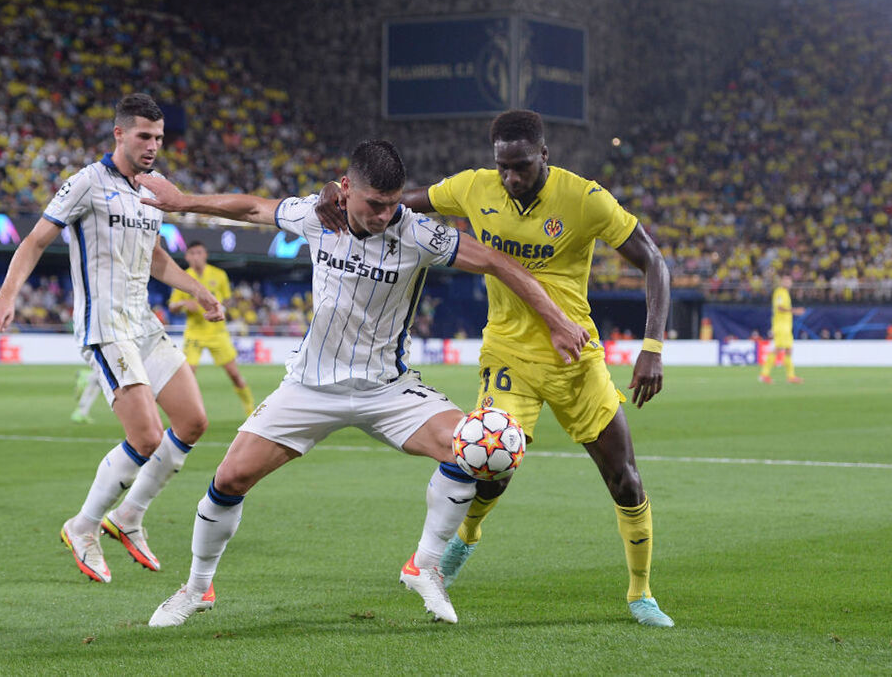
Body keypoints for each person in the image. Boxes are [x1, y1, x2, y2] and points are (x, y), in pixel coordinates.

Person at [133, 139, 589, 627]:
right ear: (346, 190)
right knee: (229, 479)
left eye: (392, 204)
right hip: (310, 386)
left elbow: (498, 262)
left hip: (387, 390)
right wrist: (183, 202)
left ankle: (425, 564)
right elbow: (251, 206)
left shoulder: (418, 234)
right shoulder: (317, 215)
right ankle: (197, 589)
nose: (384, 215)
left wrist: (556, 320)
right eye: (374, 204)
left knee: (476, 450)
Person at [315, 110, 674, 627]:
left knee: (624, 480)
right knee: (489, 464)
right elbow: (394, 204)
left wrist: (652, 346)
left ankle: (640, 593)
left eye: (522, 166)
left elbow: (653, 261)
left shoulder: (585, 199)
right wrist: (337, 189)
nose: (510, 178)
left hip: (576, 356)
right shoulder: (472, 188)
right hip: (507, 354)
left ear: (543, 155)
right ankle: (461, 543)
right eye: (503, 167)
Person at [0, 94, 225, 583]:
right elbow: (35, 241)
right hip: (104, 325)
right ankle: (83, 525)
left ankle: (129, 516)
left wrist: (198, 291)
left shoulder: (155, 190)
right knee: (147, 434)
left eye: (158, 137)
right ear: (119, 134)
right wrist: (7, 296)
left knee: (194, 421)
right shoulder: (86, 183)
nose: (153, 145)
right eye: (143, 136)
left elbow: (156, 257)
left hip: (143, 324)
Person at [168, 241, 255, 415]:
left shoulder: (219, 275)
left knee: (234, 374)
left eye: (199, 253)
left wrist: (220, 307)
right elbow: (172, 305)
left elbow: (228, 301)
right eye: (192, 254)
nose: (196, 257)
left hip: (217, 332)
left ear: (205, 254)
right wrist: (184, 304)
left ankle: (250, 408)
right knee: (188, 376)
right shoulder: (183, 276)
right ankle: (189, 413)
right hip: (194, 333)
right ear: (187, 257)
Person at [759, 275, 804, 384]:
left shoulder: (785, 293)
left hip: (787, 326)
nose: (787, 282)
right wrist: (794, 311)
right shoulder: (779, 292)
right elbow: (779, 307)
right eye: (785, 280)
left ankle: (791, 376)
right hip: (780, 326)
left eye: (789, 281)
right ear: (781, 282)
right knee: (778, 349)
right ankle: (764, 375)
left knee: (788, 350)